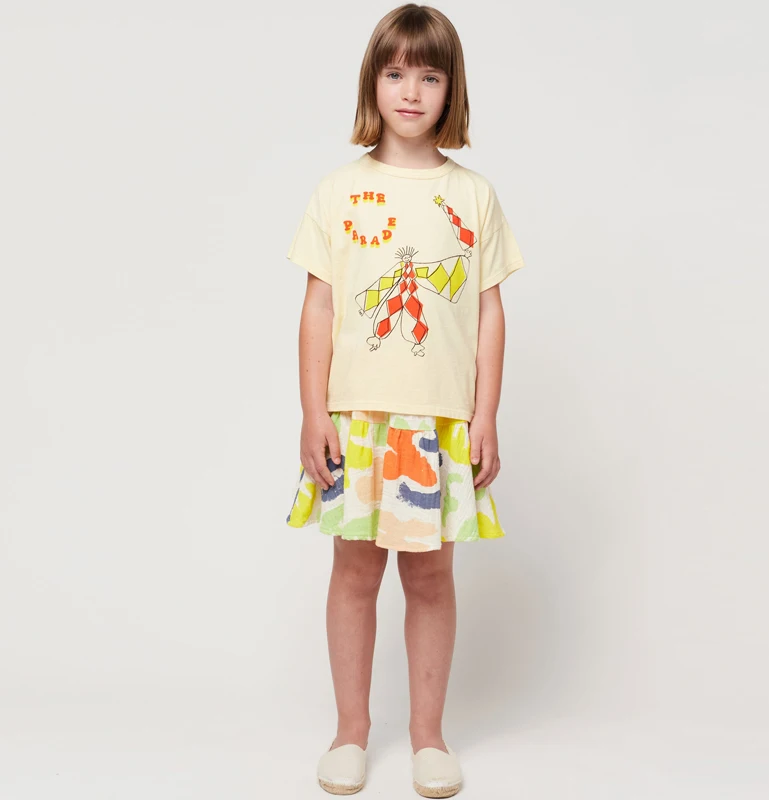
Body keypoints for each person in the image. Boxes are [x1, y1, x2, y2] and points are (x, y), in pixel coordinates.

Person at [284, 4, 525, 796]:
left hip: (440, 419)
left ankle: (429, 737)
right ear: (373, 84)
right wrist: (313, 413)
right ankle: (350, 731)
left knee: (430, 577)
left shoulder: (474, 197)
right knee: (354, 572)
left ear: (452, 89)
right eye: (395, 74)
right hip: (357, 415)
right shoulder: (338, 192)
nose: (411, 91)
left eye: (429, 75)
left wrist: (485, 415)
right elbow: (319, 307)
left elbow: (489, 312)